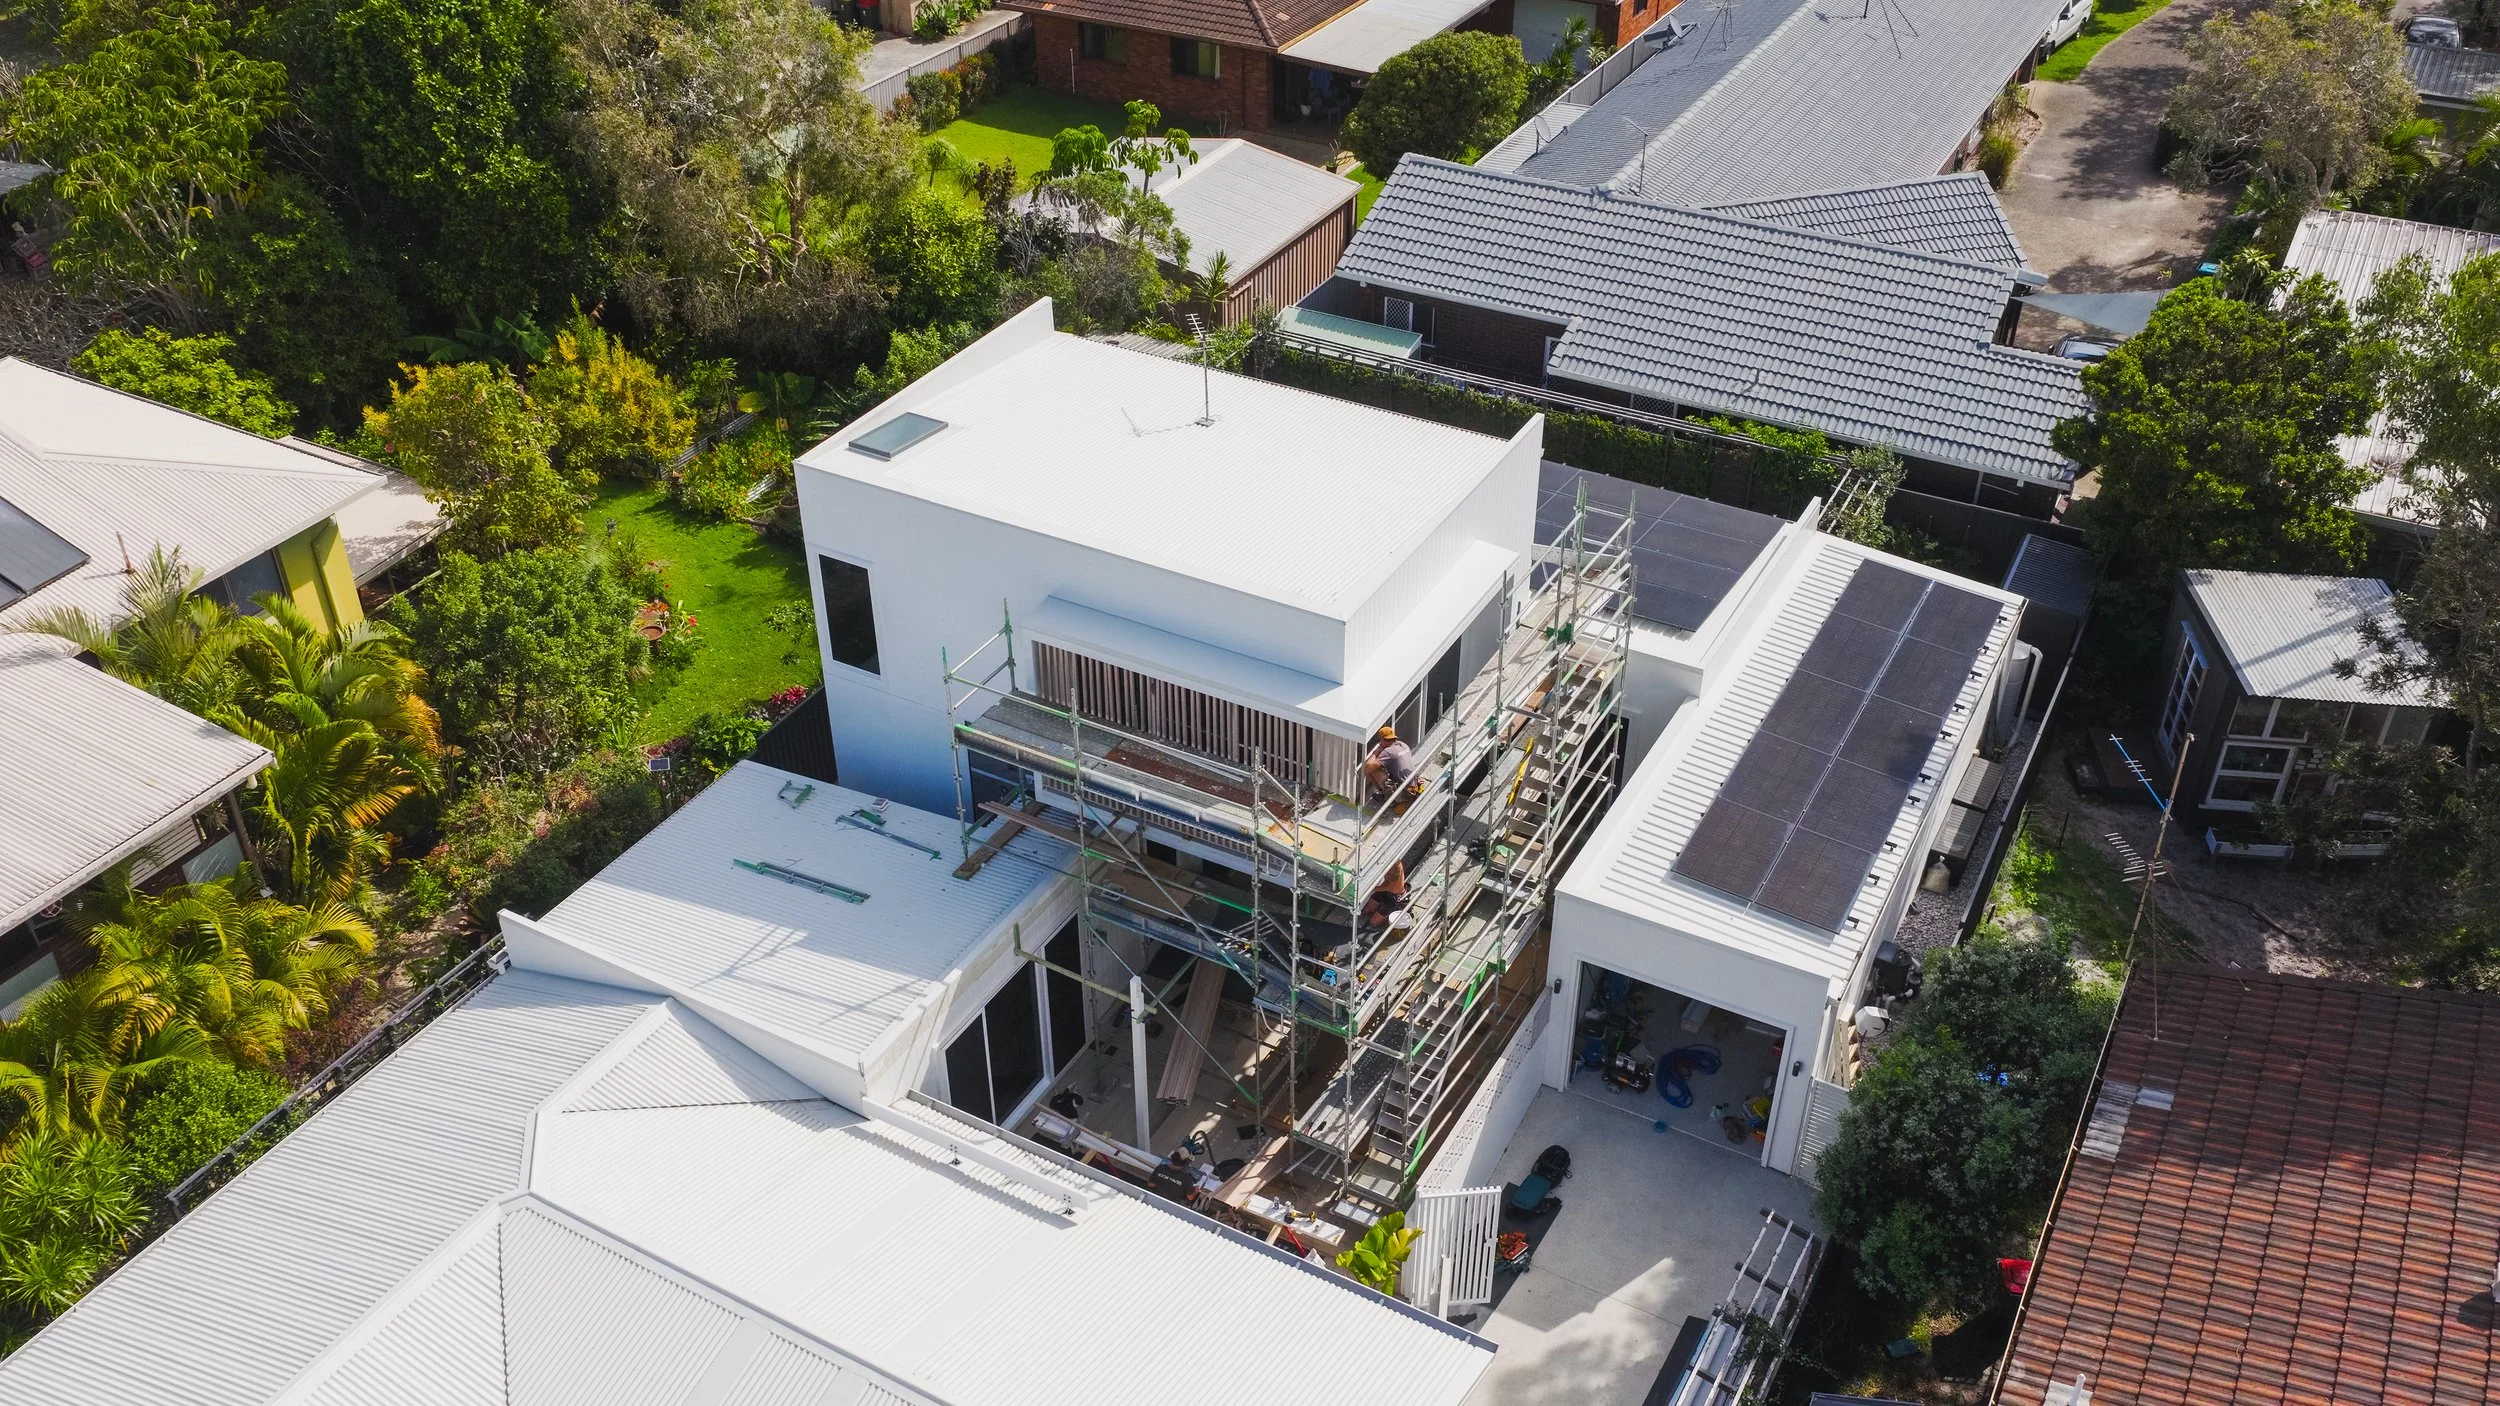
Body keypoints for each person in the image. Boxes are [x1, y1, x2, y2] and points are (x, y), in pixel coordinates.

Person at [1358, 861, 1409, 938]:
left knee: (1373, 923)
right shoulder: (1392, 866)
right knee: (1366, 910)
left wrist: (1361, 887)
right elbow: (1384, 884)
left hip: (1394, 900)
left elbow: (1375, 889)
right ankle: (1377, 913)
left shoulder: (1395, 884)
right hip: (1386, 892)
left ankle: (1387, 921)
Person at [1363, 725, 1415, 798]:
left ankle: (1384, 794)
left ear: (1382, 739)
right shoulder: (1403, 745)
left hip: (1403, 791)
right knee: (1379, 766)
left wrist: (1375, 753)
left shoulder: (1388, 751)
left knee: (1369, 770)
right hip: (1413, 783)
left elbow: (1369, 766)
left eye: (1380, 740)